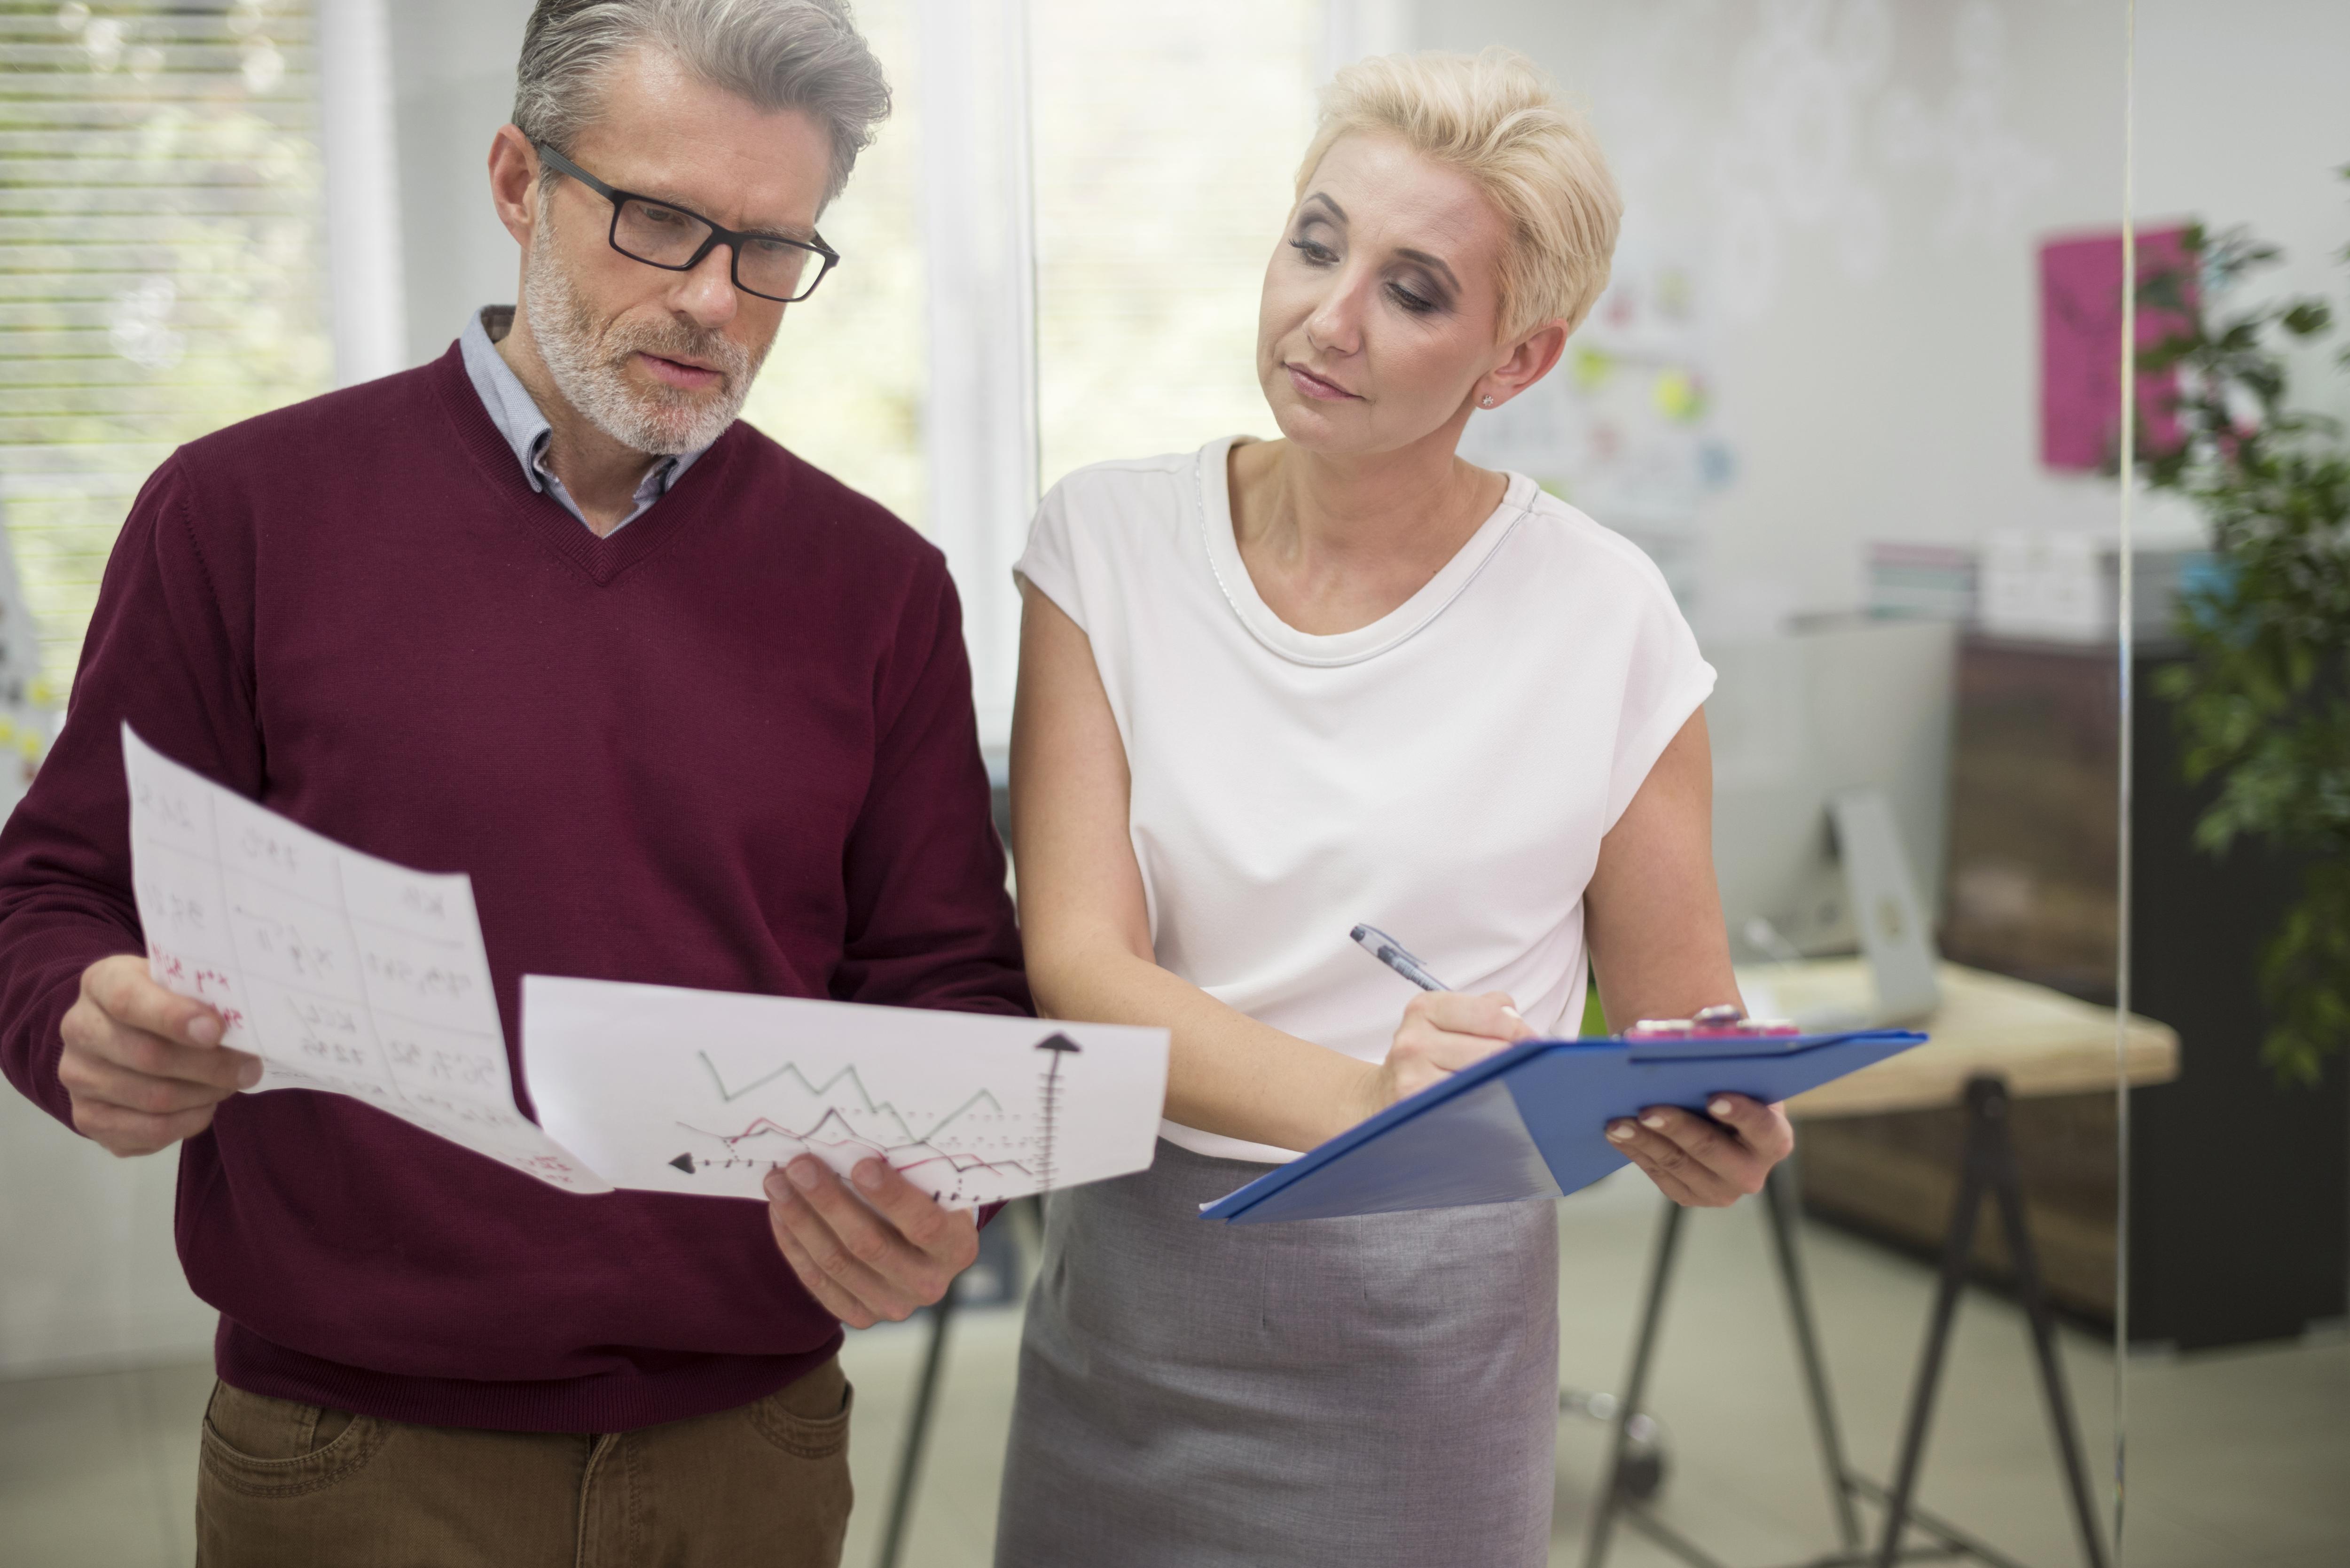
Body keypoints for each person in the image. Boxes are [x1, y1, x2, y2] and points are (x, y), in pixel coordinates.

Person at [0, 3, 1020, 1564]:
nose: (710, 302)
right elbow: (53, 891)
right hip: (349, 1448)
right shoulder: (238, 515)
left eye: (771, 251)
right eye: (660, 220)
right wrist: (80, 1017)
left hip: (755, 1443)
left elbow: (947, 979)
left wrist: (947, 1194)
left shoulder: (879, 588)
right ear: (515, 181)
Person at [996, 47, 1796, 1567]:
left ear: (1519, 361)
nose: (1328, 316)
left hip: (1435, 1337)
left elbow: (1681, 1026)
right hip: (1137, 1301)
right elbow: (1082, 964)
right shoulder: (1102, 544)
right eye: (1316, 242)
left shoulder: (1607, 616)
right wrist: (1374, 1100)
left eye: (1415, 290)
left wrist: (1717, 1125)